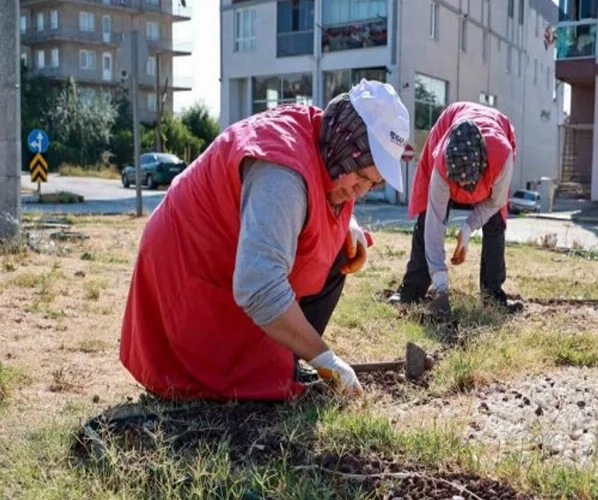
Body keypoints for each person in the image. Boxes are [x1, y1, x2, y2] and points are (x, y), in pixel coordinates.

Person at [119, 79, 411, 402]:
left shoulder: (326, 140)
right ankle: (279, 362)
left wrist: (348, 224)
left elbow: (319, 191)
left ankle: (287, 360)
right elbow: (257, 285)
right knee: (233, 385)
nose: (361, 191)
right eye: (361, 176)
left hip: (231, 261)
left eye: (372, 184)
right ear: (345, 145)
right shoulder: (282, 173)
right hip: (188, 275)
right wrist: (325, 358)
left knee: (342, 251)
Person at [388, 101, 522, 315]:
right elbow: (434, 225)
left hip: (496, 135)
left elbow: (495, 202)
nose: (464, 193)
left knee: (495, 222)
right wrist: (441, 287)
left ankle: (493, 298)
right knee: (426, 217)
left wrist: (467, 230)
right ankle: (411, 291)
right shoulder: (440, 164)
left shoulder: (501, 157)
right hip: (450, 123)